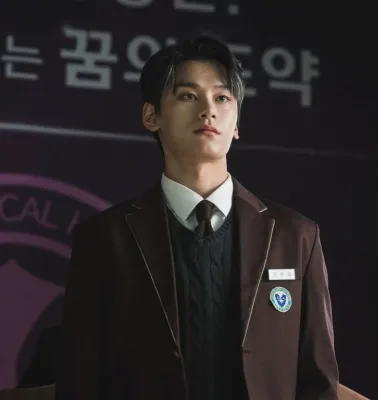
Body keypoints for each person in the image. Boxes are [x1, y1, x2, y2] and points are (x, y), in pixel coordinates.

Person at [55, 36, 339, 400]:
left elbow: (318, 380)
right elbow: (80, 378)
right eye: (188, 96)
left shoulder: (295, 235)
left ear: (236, 123)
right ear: (151, 116)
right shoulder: (103, 237)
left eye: (222, 98)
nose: (208, 110)